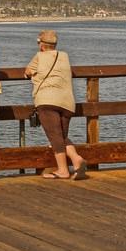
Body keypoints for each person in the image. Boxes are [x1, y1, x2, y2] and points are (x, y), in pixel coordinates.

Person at [24, 30, 87, 180]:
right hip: (67, 102)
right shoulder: (64, 56)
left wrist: (30, 74)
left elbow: (27, 71)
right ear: (55, 44)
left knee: (55, 137)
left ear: (41, 45)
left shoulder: (39, 56)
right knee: (62, 136)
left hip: (47, 100)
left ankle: (63, 170)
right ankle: (76, 160)